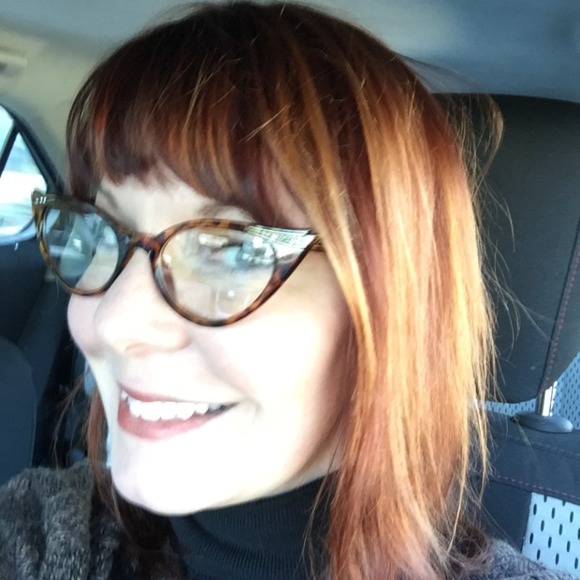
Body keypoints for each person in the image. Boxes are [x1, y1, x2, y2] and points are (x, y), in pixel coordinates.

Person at [0, 2, 573, 579]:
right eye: (102, 230)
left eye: (229, 252)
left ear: (391, 309)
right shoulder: (42, 531)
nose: (114, 323)